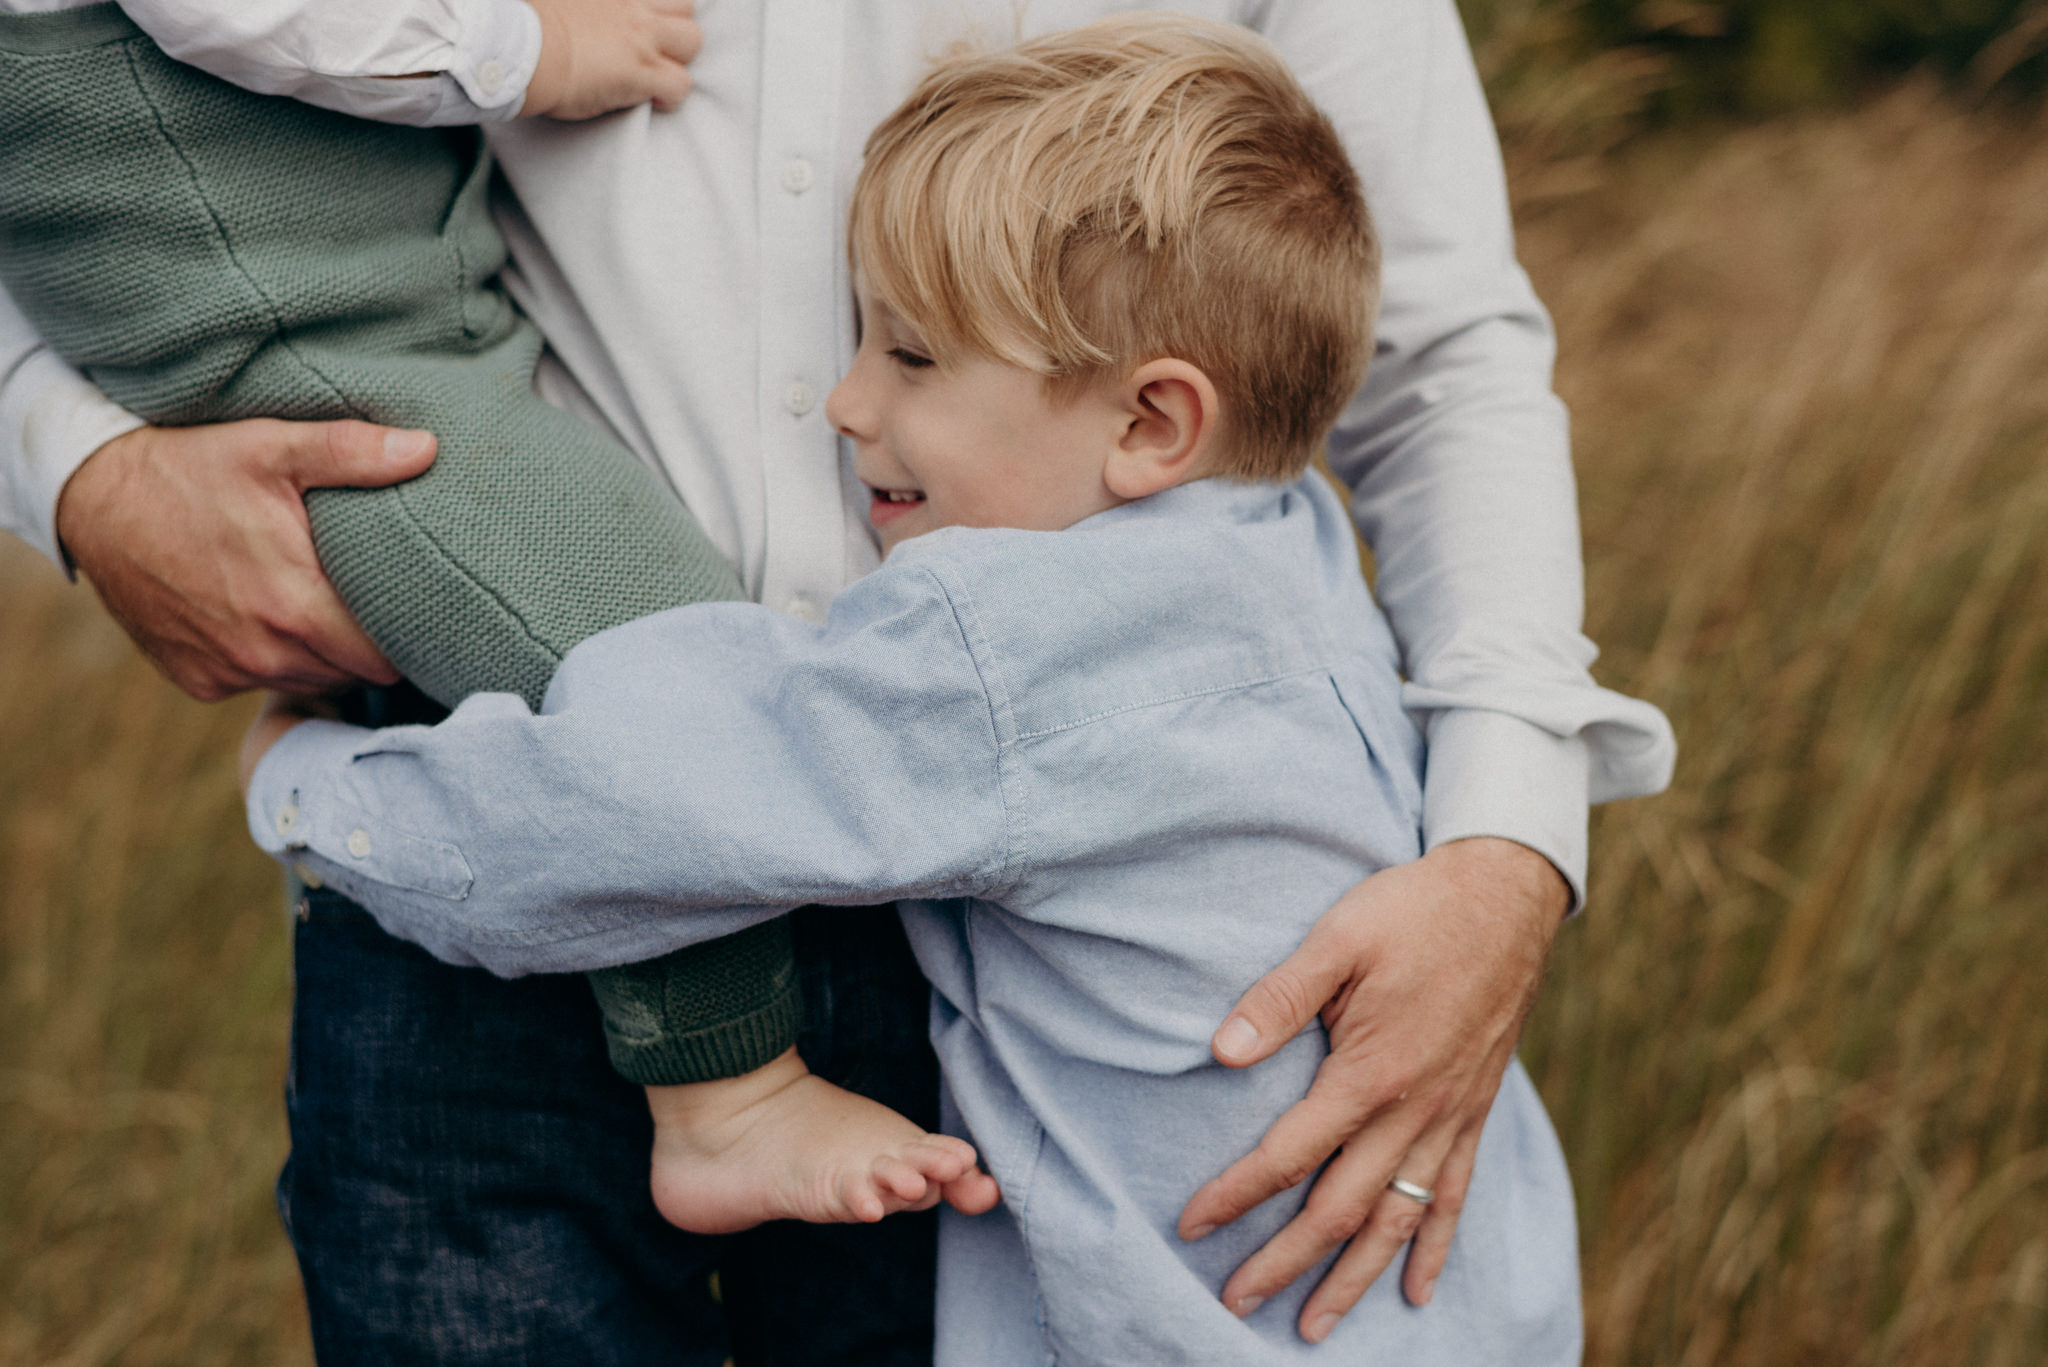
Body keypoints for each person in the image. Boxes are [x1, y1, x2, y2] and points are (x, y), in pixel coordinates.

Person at [0, 0, 1678, 1359]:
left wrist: (1507, 841)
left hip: (717, 880)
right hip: (517, 887)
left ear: (1156, 418)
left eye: (909, 354)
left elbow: (1440, 342)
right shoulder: (1266, 576)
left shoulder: (1034, 648)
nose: (843, 400)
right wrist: (67, 459)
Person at [0, 0, 985, 1242]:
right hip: (338, 347)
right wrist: (523, 48)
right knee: (645, 649)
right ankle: (728, 1099)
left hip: (402, 293)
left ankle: (300, 772)